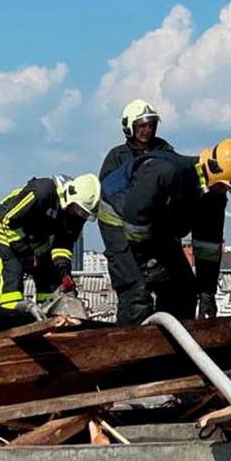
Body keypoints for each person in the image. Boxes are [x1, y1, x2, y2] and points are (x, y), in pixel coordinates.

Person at [110, 139, 231, 324]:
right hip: (119, 220)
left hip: (154, 230)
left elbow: (207, 246)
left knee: (184, 290)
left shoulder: (213, 197)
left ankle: (173, 346)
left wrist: (206, 292)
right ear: (213, 171)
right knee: (138, 293)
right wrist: (149, 262)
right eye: (224, 187)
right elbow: (135, 221)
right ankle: (131, 347)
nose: (224, 192)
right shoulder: (167, 172)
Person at [97, 100, 176, 325]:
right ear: (129, 127)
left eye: (151, 125)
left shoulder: (164, 151)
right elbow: (111, 198)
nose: (147, 130)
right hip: (120, 237)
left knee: (175, 285)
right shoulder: (117, 157)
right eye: (142, 126)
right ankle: (130, 343)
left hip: (154, 232)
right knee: (135, 293)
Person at [0, 173, 103, 312]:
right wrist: (27, 254)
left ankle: (46, 312)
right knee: (13, 273)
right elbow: (9, 220)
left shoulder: (77, 215)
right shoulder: (43, 192)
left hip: (39, 236)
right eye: (79, 210)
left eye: (85, 214)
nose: (80, 215)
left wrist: (65, 275)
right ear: (71, 197)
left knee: (49, 277)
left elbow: (63, 244)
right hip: (9, 229)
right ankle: (11, 310)